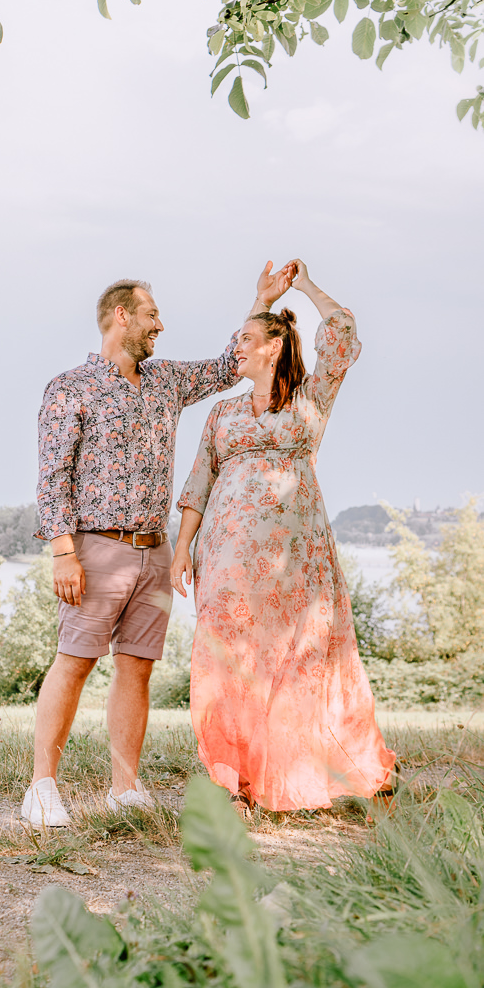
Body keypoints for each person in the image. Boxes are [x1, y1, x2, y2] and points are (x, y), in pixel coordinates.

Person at [22, 262, 296, 827]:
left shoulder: (167, 381)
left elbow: (227, 367)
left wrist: (260, 299)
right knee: (73, 663)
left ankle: (124, 787)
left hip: (154, 550)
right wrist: (63, 550)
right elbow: (54, 477)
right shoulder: (70, 388)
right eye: (151, 315)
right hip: (95, 549)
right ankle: (42, 788)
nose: (160, 326)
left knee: (137, 668)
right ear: (121, 317)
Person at [170, 260, 396, 815]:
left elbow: (341, 333)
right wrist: (181, 549)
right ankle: (236, 781)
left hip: (297, 558)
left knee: (302, 657)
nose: (235, 347)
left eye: (246, 339)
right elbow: (199, 481)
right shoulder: (222, 414)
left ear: (273, 346)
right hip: (224, 555)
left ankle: (328, 768)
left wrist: (304, 287)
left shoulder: (310, 401)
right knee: (228, 657)